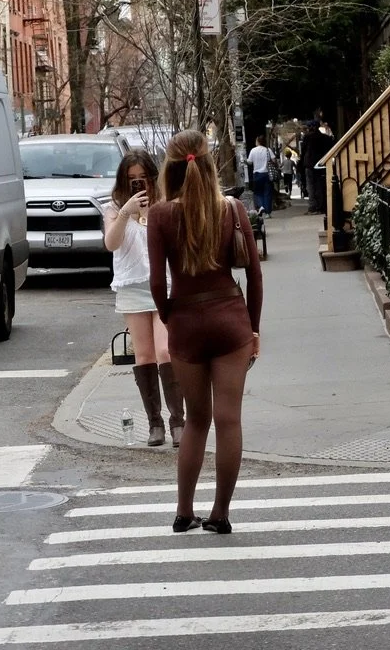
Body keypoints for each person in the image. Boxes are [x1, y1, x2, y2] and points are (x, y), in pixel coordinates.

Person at [148, 130, 263, 535]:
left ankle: (183, 511)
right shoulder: (232, 208)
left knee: (197, 421)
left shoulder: (160, 215)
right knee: (229, 420)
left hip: (186, 324)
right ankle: (220, 514)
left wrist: (169, 318)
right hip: (230, 321)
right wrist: (253, 328)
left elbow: (156, 284)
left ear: (171, 167)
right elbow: (253, 274)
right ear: (210, 164)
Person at [102, 149, 184, 448]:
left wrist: (151, 214)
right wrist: (126, 211)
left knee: (165, 351)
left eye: (143, 179)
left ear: (153, 178)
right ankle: (155, 424)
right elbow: (111, 243)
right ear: (123, 181)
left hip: (164, 284)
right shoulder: (112, 209)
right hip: (132, 286)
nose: (139, 185)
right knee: (145, 355)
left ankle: (178, 421)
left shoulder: (164, 205)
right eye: (131, 179)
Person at [247, 136, 275, 215]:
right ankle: (268, 212)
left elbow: (249, 162)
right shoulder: (267, 150)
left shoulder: (253, 150)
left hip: (257, 174)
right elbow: (273, 159)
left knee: (258, 192)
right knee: (267, 193)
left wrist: (244, 161)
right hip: (267, 174)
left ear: (258, 141)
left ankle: (261, 206)